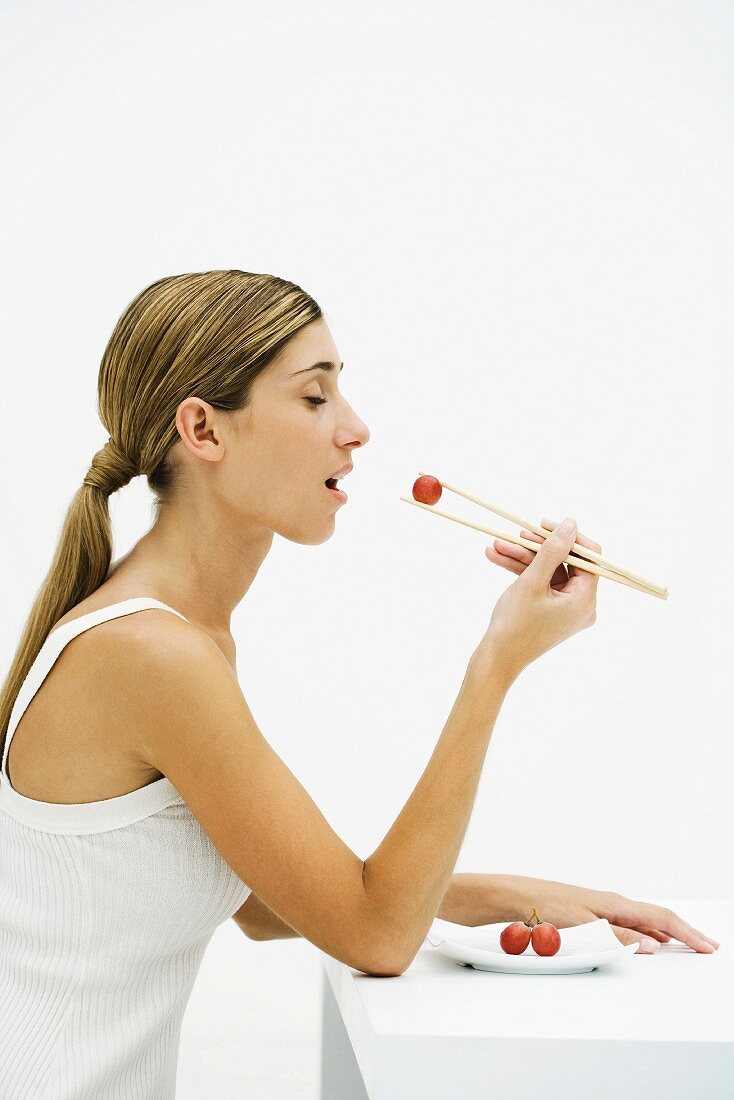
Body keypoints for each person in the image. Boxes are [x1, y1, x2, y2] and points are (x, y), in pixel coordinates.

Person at [0, 269, 719, 1098]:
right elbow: (374, 935)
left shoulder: (175, 635)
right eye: (315, 397)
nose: (356, 429)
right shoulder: (153, 653)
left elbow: (266, 903)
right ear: (202, 428)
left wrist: (523, 898)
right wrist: (497, 662)